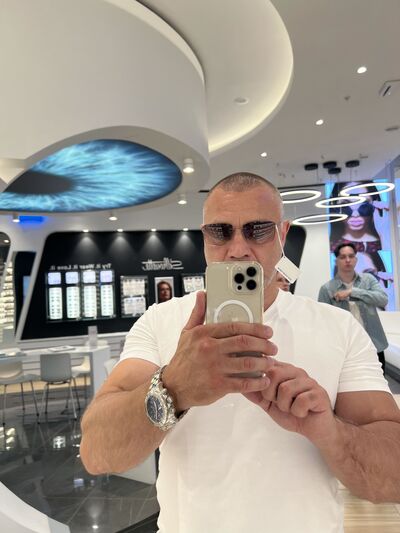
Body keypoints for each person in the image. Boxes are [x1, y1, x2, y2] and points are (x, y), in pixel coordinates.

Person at [80, 173, 400, 533]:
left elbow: (393, 478)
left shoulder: (337, 328)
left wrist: (330, 430)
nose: (237, 250)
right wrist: (173, 388)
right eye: (220, 232)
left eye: (257, 231)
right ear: (204, 238)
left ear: (283, 234)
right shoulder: (160, 321)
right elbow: (97, 452)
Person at [318, 242, 388, 373]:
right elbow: (323, 322)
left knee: (379, 381)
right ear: (336, 260)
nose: (348, 260)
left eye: (351, 256)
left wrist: (352, 292)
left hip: (374, 343)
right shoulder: (327, 289)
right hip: (346, 348)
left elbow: (383, 299)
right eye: (343, 257)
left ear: (356, 259)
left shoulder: (368, 280)